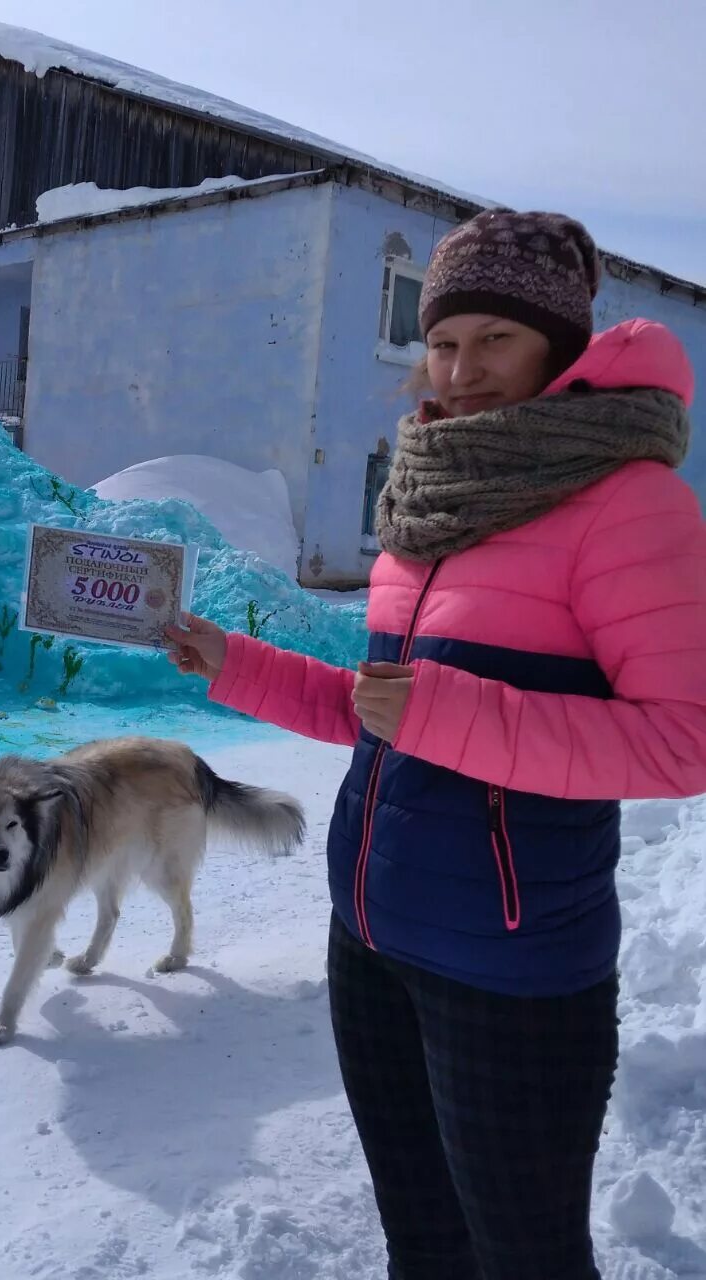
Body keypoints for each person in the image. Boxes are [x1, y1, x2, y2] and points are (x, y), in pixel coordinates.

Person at [167, 209, 706, 1280]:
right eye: (443, 339)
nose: (460, 370)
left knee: (525, 1256)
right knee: (421, 1239)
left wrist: (446, 715)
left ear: (557, 344)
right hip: (371, 937)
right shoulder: (429, 496)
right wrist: (224, 660)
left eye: (494, 339)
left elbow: (681, 742)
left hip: (512, 967)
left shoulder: (626, 502)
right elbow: (373, 710)